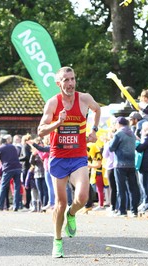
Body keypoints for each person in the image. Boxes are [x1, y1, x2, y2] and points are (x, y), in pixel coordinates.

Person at [37, 66, 100, 258]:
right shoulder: (53, 103)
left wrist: (94, 130)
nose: (70, 83)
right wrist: (57, 123)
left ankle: (72, 214)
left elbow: (97, 110)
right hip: (58, 158)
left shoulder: (84, 98)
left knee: (82, 197)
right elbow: (41, 131)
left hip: (79, 156)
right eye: (65, 80)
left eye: (72, 79)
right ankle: (57, 240)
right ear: (59, 83)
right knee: (60, 204)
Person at [109, 117, 140, 218]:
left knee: (121, 188)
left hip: (120, 164)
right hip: (131, 163)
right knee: (133, 188)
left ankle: (122, 211)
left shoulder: (118, 134)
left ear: (119, 123)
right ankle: (134, 210)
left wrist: (111, 140)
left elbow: (111, 148)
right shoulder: (132, 134)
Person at [0, 135, 22, 212]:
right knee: (17, 187)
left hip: (8, 168)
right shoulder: (13, 147)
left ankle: (0, 205)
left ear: (0, 143)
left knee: (3, 186)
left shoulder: (0, 148)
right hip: (17, 167)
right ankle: (16, 206)